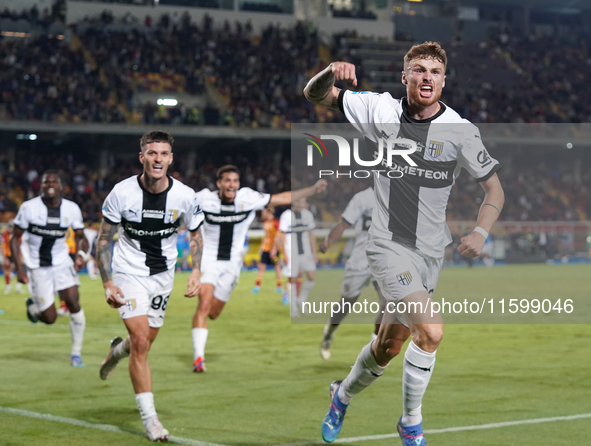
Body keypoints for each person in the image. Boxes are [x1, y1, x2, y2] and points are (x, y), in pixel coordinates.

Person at [304, 41, 505, 445]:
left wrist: (481, 232)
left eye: (434, 72)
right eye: (418, 70)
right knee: (431, 332)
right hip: (386, 245)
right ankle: (410, 423)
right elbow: (317, 95)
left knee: (387, 346)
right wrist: (330, 72)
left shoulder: (461, 131)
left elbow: (494, 191)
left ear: (444, 81)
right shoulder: (378, 108)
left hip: (432, 254)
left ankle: (340, 396)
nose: (426, 77)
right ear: (405, 77)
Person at [96, 130, 204, 442]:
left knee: (143, 342)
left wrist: (195, 271)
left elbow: (195, 234)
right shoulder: (121, 193)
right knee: (141, 342)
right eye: (152, 153)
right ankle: (151, 420)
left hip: (163, 276)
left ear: (171, 158)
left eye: (164, 154)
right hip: (128, 273)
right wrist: (107, 282)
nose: (158, 159)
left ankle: (115, 353)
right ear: (142, 156)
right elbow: (103, 239)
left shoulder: (185, 195)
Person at [191, 165, 326, 373]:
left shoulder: (247, 198)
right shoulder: (203, 199)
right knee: (203, 304)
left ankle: (202, 331)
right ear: (219, 184)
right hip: (208, 260)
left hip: (232, 264)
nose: (231, 185)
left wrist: (311, 190)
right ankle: (198, 358)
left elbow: (281, 198)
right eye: (227, 180)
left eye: (235, 181)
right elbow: (177, 199)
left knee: (213, 313)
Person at [9, 171, 89, 367]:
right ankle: (34, 308)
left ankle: (76, 354)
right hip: (37, 267)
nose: (50, 184)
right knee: (50, 318)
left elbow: (81, 236)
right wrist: (19, 269)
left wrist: (82, 255)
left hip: (62, 263)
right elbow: (14, 238)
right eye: (46, 182)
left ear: (61, 186)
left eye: (54, 182)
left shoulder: (71, 209)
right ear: (41, 186)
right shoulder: (29, 208)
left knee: (73, 302)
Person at [318, 187, 407, 359]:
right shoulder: (362, 198)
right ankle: (329, 332)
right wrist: (328, 241)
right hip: (361, 259)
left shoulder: (400, 196)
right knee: (346, 304)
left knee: (388, 304)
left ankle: (373, 351)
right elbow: (344, 223)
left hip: (386, 260)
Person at [276, 197, 318, 316]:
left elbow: (311, 234)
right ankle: (293, 307)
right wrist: (284, 253)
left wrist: (314, 252)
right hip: (291, 252)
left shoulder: (307, 215)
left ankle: (301, 300)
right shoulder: (286, 215)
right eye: (298, 201)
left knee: (311, 277)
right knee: (292, 279)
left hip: (305, 252)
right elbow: (282, 236)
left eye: (302, 201)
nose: (300, 204)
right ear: (292, 202)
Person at [252, 206, 282, 294]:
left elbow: (278, 237)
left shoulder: (276, 223)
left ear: (269, 213)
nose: (263, 214)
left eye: (265, 212)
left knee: (277, 267)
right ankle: (257, 286)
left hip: (274, 249)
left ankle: (279, 286)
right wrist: (261, 247)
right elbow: (266, 236)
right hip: (265, 248)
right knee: (261, 267)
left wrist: (274, 249)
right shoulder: (265, 223)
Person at [2, 220, 22, 295]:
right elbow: (3, 246)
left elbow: (21, 245)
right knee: (7, 270)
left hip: (17, 254)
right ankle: (8, 288)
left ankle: (18, 287)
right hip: (8, 254)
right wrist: (5, 258)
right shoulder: (5, 234)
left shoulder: (19, 234)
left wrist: (20, 255)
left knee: (19, 270)